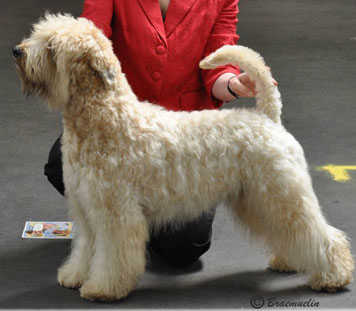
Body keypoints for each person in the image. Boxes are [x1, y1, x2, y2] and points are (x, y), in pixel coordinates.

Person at [44, 0, 261, 268]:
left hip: (182, 138)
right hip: (123, 121)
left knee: (184, 247)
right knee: (60, 163)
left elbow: (217, 63)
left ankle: (131, 225)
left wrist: (234, 84)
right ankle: (123, 223)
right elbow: (92, 33)